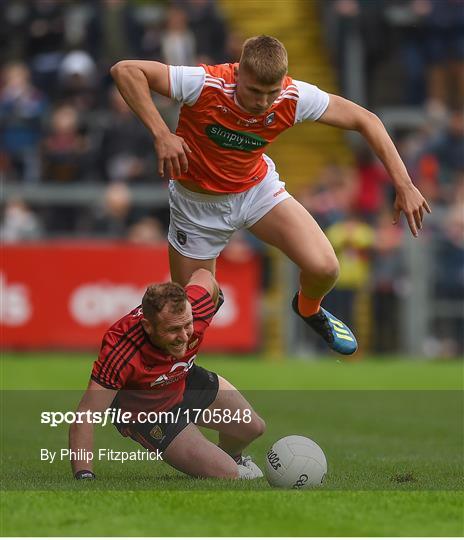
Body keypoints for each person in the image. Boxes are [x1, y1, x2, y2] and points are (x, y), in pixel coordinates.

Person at [110, 35, 431, 356]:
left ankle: (309, 309)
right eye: (254, 91)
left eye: (271, 93)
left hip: (256, 190)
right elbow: (125, 70)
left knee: (325, 268)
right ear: (238, 75)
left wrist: (404, 184)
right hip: (197, 207)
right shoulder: (205, 83)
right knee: (187, 321)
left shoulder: (293, 96)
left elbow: (366, 119)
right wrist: (161, 134)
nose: (263, 102)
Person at [69, 269, 265, 480]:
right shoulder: (121, 350)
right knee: (227, 475)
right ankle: (225, 467)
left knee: (253, 427)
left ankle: (229, 459)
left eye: (187, 325)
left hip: (183, 377)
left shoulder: (197, 306)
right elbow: (85, 416)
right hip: (147, 411)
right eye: (173, 329)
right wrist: (84, 474)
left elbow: (204, 274)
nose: (183, 336)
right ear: (148, 326)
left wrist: (215, 295)